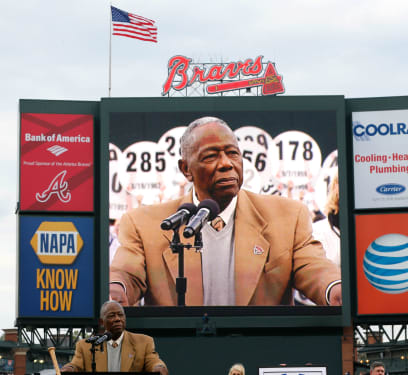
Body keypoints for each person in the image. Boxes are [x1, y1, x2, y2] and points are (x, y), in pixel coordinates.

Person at [110, 116, 341, 306]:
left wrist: (334, 288)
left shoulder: (288, 217)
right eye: (211, 156)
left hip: (259, 352)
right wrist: (115, 290)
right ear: (186, 169)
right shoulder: (145, 224)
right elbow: (125, 273)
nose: (226, 164)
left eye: (232, 153)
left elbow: (314, 268)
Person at [61, 300, 168, 374]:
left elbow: (153, 361)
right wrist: (69, 368)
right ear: (102, 322)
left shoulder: (144, 342)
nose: (117, 319)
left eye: (120, 315)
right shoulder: (86, 345)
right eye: (112, 315)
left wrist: (159, 367)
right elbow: (76, 365)